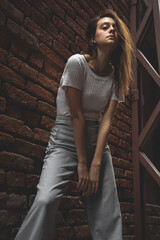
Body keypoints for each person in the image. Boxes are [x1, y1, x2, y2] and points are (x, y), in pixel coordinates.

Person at [15, 8, 133, 240]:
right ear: (92, 38)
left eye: (114, 28)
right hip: (65, 139)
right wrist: (82, 164)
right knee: (46, 200)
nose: (112, 30)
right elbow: (76, 115)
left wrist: (96, 163)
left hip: (97, 143)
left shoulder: (117, 76)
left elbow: (106, 121)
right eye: (105, 27)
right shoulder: (76, 63)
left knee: (107, 213)